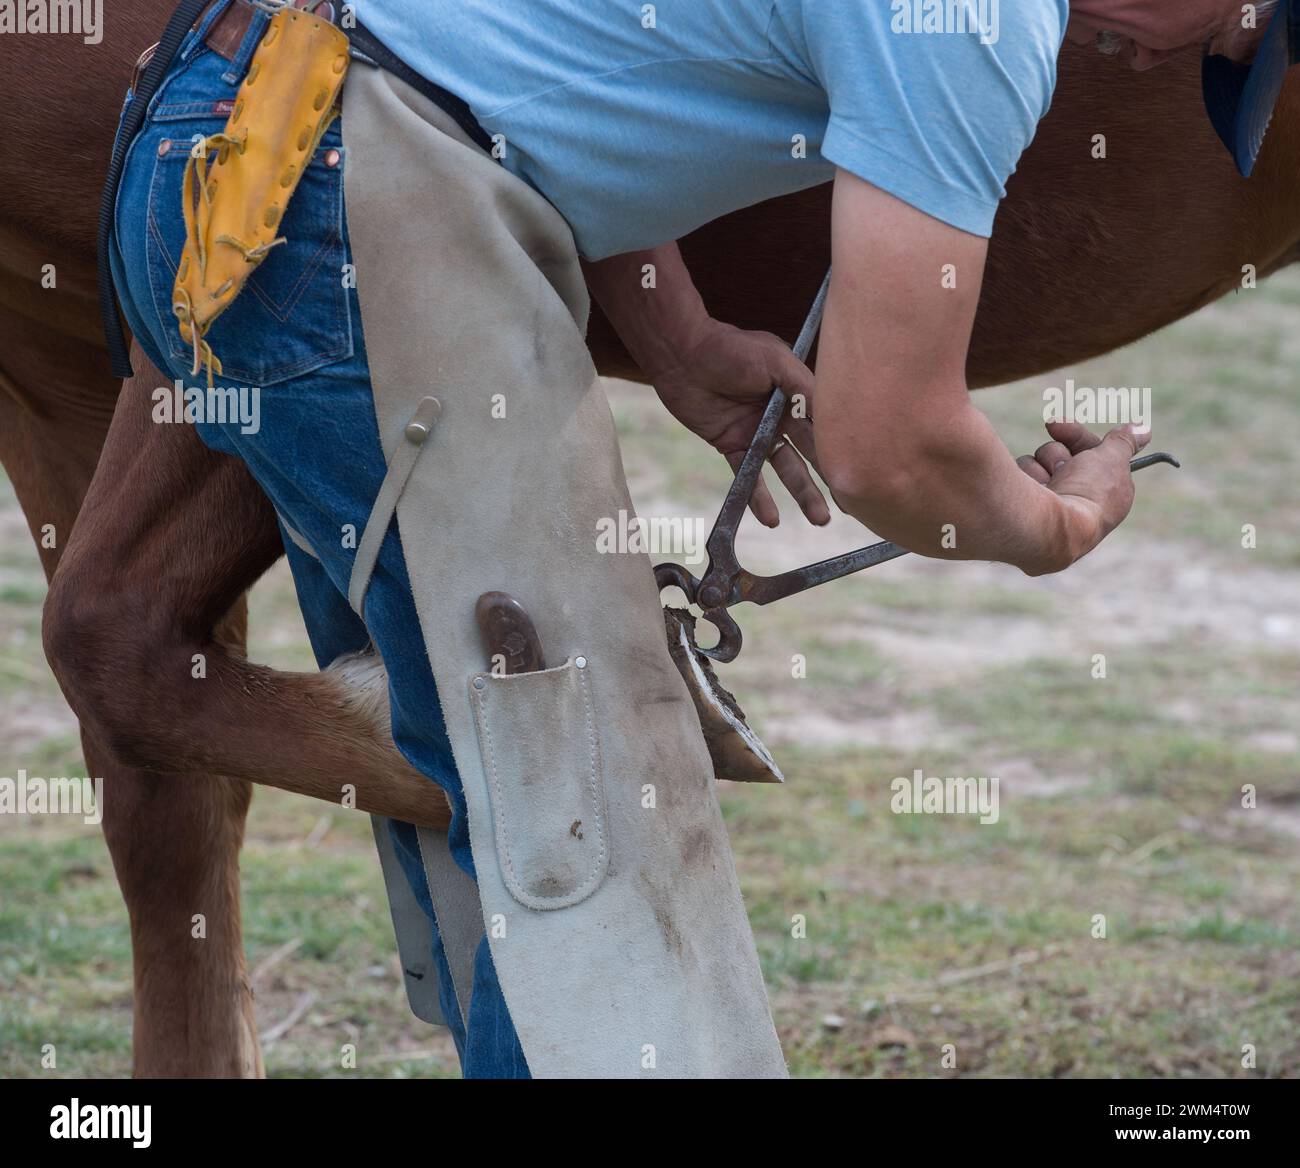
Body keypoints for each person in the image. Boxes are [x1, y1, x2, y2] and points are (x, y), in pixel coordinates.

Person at [102, 0, 1280, 1078]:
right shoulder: (981, 24)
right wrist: (1055, 526)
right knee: (589, 830)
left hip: (244, 140)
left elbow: (516, 64)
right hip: (351, 202)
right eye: (1237, 32)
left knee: (519, 791)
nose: (1188, 61)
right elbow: (889, 443)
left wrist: (675, 337)